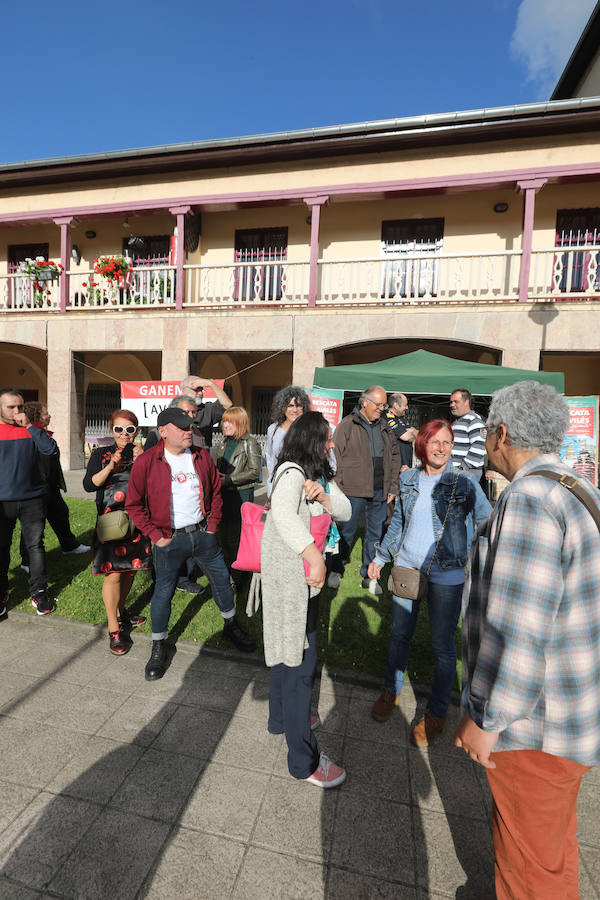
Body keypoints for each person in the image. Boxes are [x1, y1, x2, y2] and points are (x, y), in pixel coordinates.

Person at [454, 381, 600, 900]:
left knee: (528, 873)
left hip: (534, 724)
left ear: (501, 434)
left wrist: (486, 719)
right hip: (569, 712)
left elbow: (518, 628)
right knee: (550, 854)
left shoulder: (531, 499)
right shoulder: (576, 488)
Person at [368, 418, 491, 741]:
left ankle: (437, 713)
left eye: (447, 442)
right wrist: (381, 557)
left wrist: (476, 558)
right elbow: (399, 523)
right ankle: (390, 691)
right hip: (408, 567)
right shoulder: (408, 478)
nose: (441, 448)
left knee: (442, 645)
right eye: (435, 441)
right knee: (398, 635)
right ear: (422, 444)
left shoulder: (463, 482)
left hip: (447, 575)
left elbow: (487, 521)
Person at [251, 411, 351, 787]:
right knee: (299, 666)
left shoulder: (314, 475)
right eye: (326, 439)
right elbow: (283, 516)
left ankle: (281, 720)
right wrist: (313, 556)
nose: (331, 445)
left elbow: (345, 510)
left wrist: (323, 494)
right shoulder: (291, 472)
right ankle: (303, 761)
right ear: (312, 439)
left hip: (295, 583)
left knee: (286, 653)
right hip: (292, 582)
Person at [126, 406, 255, 681]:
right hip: (168, 540)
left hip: (203, 537)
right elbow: (133, 505)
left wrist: (211, 527)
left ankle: (231, 625)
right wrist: (155, 535)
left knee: (221, 582)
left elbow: (216, 494)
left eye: (191, 427)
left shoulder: (201, 457)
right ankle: (159, 645)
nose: (190, 432)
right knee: (164, 591)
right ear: (163, 432)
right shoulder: (147, 462)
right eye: (183, 428)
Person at [83, 409, 149, 655]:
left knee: (131, 569)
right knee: (113, 574)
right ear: (111, 430)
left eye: (129, 429)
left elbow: (153, 485)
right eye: (118, 429)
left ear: (136, 432)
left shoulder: (144, 454)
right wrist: (111, 466)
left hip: (138, 519)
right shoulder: (101, 454)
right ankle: (114, 629)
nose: (124, 434)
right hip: (112, 522)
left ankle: (122, 611)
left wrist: (143, 461)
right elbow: (90, 485)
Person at [329, 385, 400, 595]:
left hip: (380, 491)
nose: (382, 409)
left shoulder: (385, 427)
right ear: (365, 403)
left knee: (375, 535)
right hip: (352, 491)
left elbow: (395, 457)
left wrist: (393, 487)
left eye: (384, 405)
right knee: (346, 532)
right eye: (379, 404)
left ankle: (369, 576)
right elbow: (335, 457)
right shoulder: (347, 425)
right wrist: (339, 488)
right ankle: (336, 569)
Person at [0, 389, 58, 617]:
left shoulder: (32, 429)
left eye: (20, 407)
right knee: (2, 547)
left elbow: (50, 450)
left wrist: (31, 428)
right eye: (11, 407)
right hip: (2, 501)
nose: (17, 411)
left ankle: (39, 592)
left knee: (35, 546)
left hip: (32, 498)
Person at [145, 395, 207, 596]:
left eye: (192, 412)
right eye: (185, 412)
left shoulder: (195, 433)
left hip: (192, 504)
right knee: (166, 547)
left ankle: (184, 578)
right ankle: (163, 580)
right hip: (166, 507)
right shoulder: (156, 437)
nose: (190, 417)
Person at [20, 401, 89, 573]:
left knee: (60, 514)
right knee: (34, 525)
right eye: (45, 413)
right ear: (36, 416)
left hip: (50, 487)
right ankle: (27, 561)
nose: (49, 416)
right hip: (36, 489)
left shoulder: (42, 434)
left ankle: (69, 546)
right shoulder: (30, 434)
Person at [214, 406, 262, 591]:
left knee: (236, 539)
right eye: (224, 421)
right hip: (223, 494)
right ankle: (229, 573)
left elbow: (255, 471)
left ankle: (240, 578)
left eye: (229, 421)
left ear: (240, 423)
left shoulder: (250, 442)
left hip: (240, 495)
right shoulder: (225, 442)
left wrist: (229, 479)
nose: (224, 425)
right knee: (222, 537)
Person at [265, 386, 312, 495]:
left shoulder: (310, 431)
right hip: (276, 487)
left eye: (299, 405)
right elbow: (269, 457)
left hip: (301, 490)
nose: (295, 410)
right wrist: (271, 480)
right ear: (282, 407)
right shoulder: (273, 430)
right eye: (290, 405)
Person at [181, 375, 232, 448]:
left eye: (201, 390)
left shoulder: (207, 409)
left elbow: (227, 405)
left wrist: (211, 384)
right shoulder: (174, 411)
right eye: (197, 389)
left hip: (203, 456)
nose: (201, 393)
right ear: (185, 390)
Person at [449, 388, 486, 481]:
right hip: (457, 472)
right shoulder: (456, 422)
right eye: (451, 402)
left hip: (467, 472)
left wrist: (462, 468)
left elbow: (479, 446)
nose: (452, 405)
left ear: (466, 402)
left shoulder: (474, 421)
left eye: (455, 402)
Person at [385, 392, 417, 471]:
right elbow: (406, 437)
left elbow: (416, 432)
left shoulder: (401, 418)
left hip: (406, 465)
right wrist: (411, 432)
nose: (407, 408)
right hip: (395, 467)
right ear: (395, 406)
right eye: (405, 405)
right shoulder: (387, 417)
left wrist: (411, 431)